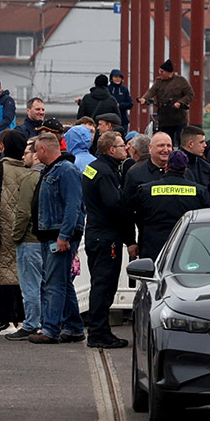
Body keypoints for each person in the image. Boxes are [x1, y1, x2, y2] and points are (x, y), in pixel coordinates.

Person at [25, 131, 84, 345]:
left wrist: (64, 235)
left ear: (42, 149)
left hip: (58, 235)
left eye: (35, 149)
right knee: (63, 282)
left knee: (54, 283)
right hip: (51, 234)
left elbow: (73, 205)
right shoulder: (53, 170)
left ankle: (50, 329)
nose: (33, 154)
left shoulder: (65, 171)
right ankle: (74, 327)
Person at [0, 130, 39, 336]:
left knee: (4, 273)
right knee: (25, 275)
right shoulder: (31, 168)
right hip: (29, 230)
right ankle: (24, 318)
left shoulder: (0, 168)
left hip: (4, 228)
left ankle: (7, 319)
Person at [81, 129, 132, 348]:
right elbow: (114, 204)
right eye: (122, 146)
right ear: (111, 149)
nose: (126, 148)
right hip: (106, 236)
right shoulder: (106, 172)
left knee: (99, 283)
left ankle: (99, 330)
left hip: (96, 233)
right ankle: (99, 333)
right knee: (105, 284)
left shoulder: (93, 168)